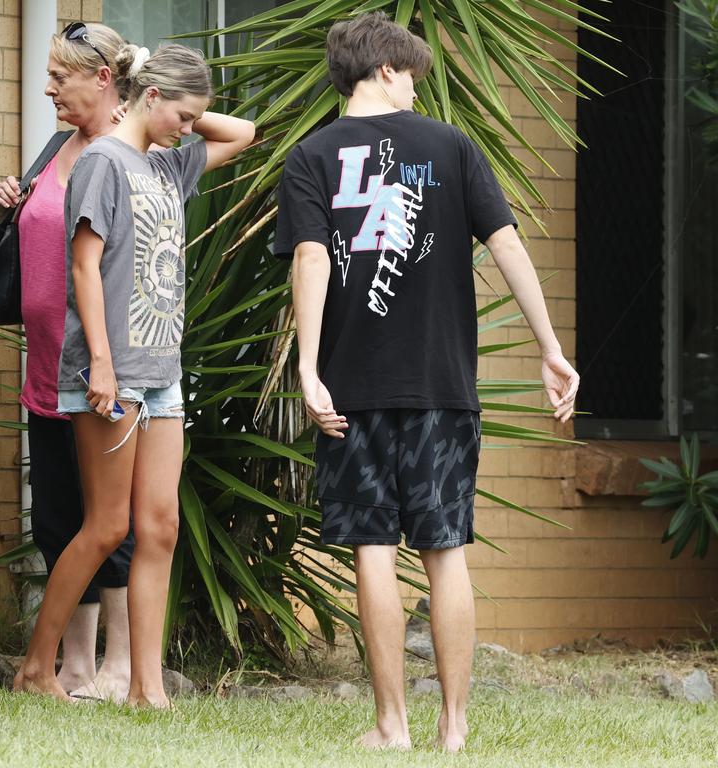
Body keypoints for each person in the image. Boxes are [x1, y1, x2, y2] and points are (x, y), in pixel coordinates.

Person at [274, 12, 579, 753]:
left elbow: (310, 261)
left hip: (353, 387)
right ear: (383, 69)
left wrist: (310, 369)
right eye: (410, 73)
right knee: (446, 549)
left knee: (372, 547)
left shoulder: (309, 157)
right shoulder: (451, 145)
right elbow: (506, 243)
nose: (415, 87)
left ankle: (392, 726)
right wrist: (550, 347)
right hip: (443, 384)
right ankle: (453, 728)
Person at [12, 43, 256, 708]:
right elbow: (84, 268)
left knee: (161, 527)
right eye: (181, 112)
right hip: (111, 373)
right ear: (150, 99)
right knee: (106, 527)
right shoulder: (102, 163)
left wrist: (181, 107)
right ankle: (38, 666)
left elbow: (246, 133)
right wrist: (99, 362)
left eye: (192, 117)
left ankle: (147, 688)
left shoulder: (166, 167)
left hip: (162, 375)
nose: (189, 126)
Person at [0, 21, 134, 703]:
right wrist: (7, 212)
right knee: (58, 523)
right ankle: (75, 667)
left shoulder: (133, 150)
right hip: (47, 368)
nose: (48, 88)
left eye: (60, 77)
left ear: (104, 78)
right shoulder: (56, 147)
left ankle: (122, 668)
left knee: (112, 524)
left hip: (106, 371)